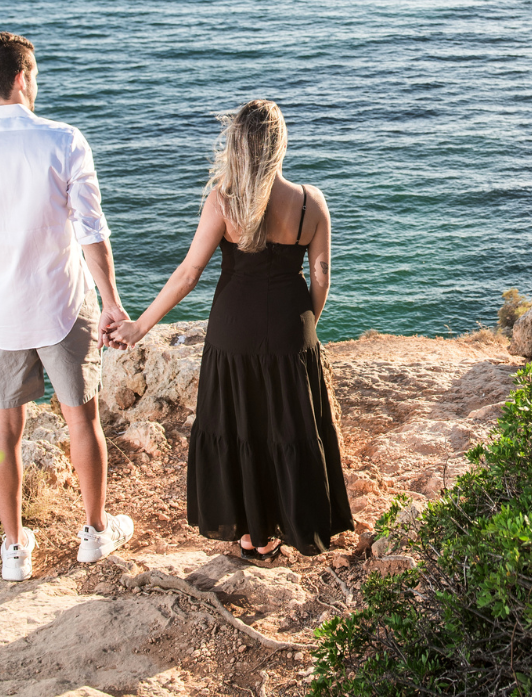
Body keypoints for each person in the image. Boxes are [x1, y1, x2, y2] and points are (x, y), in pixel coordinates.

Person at [106, 100, 353, 559]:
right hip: (290, 328)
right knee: (289, 429)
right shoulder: (310, 201)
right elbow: (321, 276)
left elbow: (188, 273)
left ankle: (251, 535)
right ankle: (295, 524)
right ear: (280, 145)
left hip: (231, 331)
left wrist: (139, 325)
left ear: (237, 145)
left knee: (241, 427)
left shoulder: (224, 199)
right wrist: (304, 329)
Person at [0, 32, 134, 581]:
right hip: (64, 304)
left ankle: (14, 547)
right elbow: (92, 232)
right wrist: (111, 303)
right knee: (82, 421)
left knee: (4, 432)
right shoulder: (63, 141)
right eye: (35, 75)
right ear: (22, 78)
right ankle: (93, 532)